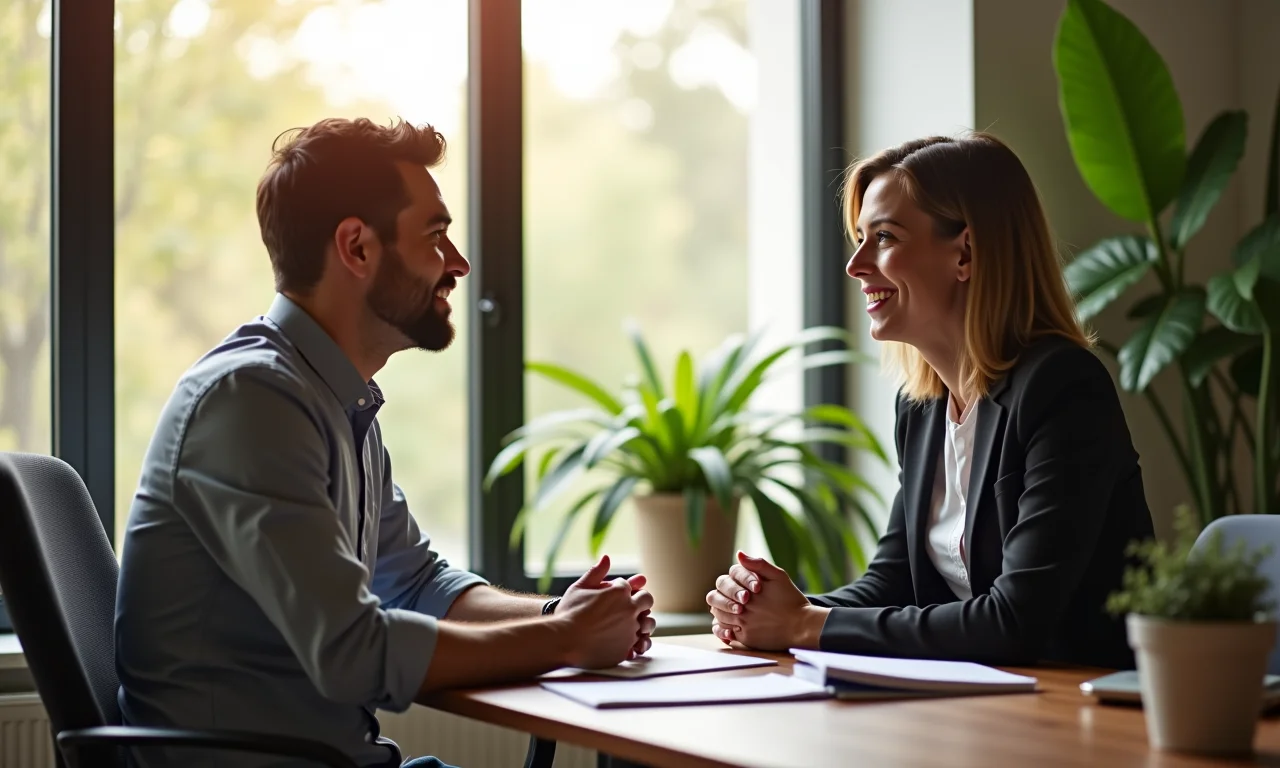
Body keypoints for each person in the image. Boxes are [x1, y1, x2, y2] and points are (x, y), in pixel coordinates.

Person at [115, 117, 655, 768]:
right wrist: (563, 640)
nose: (458, 264)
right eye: (435, 237)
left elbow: (418, 581)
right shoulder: (252, 402)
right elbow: (354, 653)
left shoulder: (331, 399)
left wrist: (557, 612)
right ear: (358, 248)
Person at [706, 132, 1155, 670]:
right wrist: (776, 612)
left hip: (1081, 715)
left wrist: (805, 625)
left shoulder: (1062, 387)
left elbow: (1016, 619)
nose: (856, 265)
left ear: (965, 252)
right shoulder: (920, 409)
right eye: (859, 238)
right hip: (979, 707)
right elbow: (893, 582)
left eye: (885, 238)